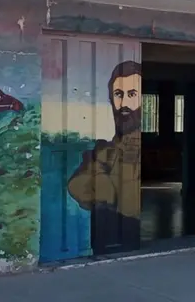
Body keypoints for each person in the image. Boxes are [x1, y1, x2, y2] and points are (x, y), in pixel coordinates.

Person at [67, 60, 142, 253]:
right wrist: (104, 186)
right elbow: (77, 185)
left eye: (132, 94)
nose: (124, 104)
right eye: (118, 95)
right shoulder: (105, 151)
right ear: (111, 99)